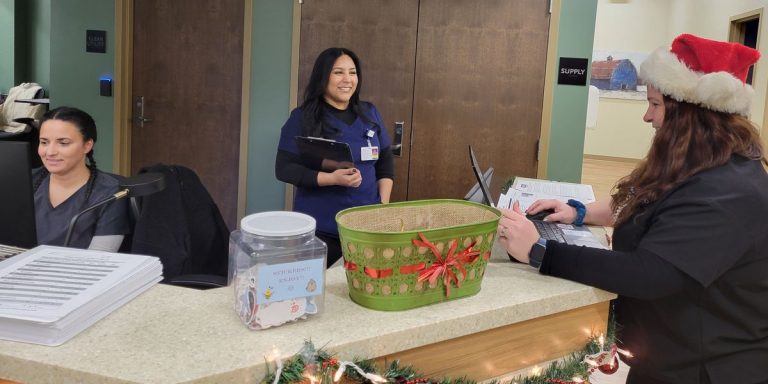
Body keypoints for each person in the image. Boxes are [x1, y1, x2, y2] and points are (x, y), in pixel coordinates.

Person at [498, 34, 768, 384]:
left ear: (692, 114)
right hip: (671, 355)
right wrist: (579, 212)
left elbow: (649, 274)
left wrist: (542, 250)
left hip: (708, 369)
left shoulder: (729, 192)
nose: (647, 116)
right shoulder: (705, 165)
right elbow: (652, 201)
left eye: (655, 104)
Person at [275, 48, 394, 267]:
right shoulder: (303, 118)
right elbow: (284, 168)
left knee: (359, 291)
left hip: (365, 226)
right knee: (317, 293)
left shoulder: (369, 113)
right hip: (321, 228)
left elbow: (385, 163)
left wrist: (382, 208)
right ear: (323, 76)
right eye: (338, 72)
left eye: (352, 72)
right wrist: (333, 179)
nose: (347, 79)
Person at [33, 106, 130, 252]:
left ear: (87, 145)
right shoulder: (22, 181)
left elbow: (99, 258)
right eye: (44, 142)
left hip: (73, 273)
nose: (50, 152)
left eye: (63, 143)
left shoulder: (110, 193)